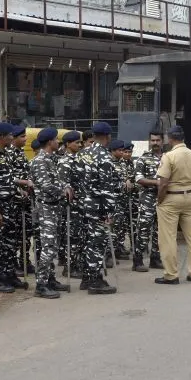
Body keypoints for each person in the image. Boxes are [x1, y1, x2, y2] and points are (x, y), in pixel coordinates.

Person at [0, 122, 29, 293]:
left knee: (10, 244)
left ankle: (9, 274)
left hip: (11, 205)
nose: (12, 137)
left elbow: (8, 180)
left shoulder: (6, 155)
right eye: (9, 135)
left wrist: (19, 191)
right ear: (1, 137)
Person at [154, 125, 191, 285]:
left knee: (168, 238)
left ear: (170, 138)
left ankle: (171, 275)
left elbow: (162, 184)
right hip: (190, 198)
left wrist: (160, 200)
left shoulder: (169, 157)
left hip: (171, 199)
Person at [76, 122, 119, 295]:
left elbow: (75, 178)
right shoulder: (104, 157)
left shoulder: (82, 154)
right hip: (98, 205)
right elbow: (106, 187)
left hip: (84, 203)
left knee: (88, 240)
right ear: (108, 137)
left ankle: (87, 278)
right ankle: (95, 281)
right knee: (97, 243)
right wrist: (109, 212)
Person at [30, 127, 72, 298]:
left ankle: (50, 279)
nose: (58, 142)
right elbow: (46, 186)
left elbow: (58, 181)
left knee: (53, 245)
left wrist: (66, 187)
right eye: (56, 140)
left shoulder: (51, 159)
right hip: (46, 208)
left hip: (54, 208)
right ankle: (41, 284)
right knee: (47, 247)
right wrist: (63, 192)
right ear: (49, 142)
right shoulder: (40, 161)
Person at [133, 131, 164, 272]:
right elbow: (138, 179)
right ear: (149, 142)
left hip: (164, 199)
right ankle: (138, 260)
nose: (155, 143)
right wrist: (156, 182)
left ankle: (155, 259)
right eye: (153, 140)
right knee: (143, 229)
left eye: (158, 140)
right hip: (147, 198)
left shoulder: (168, 158)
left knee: (160, 230)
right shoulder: (143, 159)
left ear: (163, 141)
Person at [10, 125, 37, 276]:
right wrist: (23, 183)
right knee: (15, 234)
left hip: (26, 201)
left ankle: (24, 260)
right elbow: (7, 177)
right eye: (22, 137)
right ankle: (13, 263)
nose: (25, 139)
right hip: (15, 200)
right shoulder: (8, 154)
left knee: (26, 233)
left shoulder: (20, 154)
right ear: (13, 138)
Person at [57, 130, 84, 277]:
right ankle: (70, 266)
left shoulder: (79, 159)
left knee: (79, 236)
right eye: (76, 142)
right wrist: (67, 188)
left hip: (80, 203)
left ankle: (77, 263)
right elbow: (63, 183)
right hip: (70, 205)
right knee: (72, 236)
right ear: (68, 144)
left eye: (80, 142)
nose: (79, 145)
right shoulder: (64, 162)